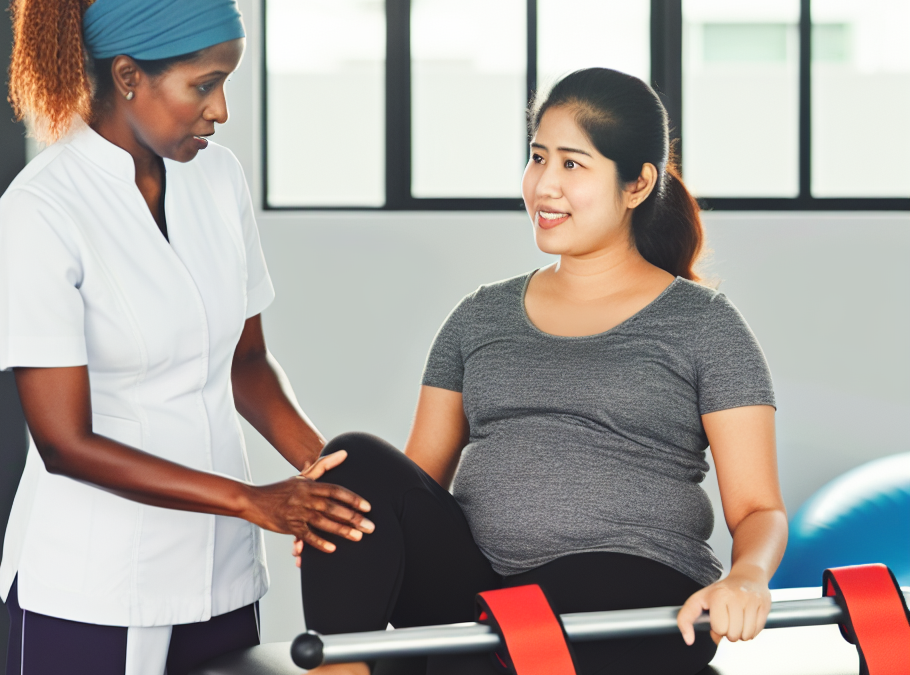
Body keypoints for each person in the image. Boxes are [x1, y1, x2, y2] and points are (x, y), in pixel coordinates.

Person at [297, 68, 788, 675]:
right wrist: (346, 523)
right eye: (537, 158)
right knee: (355, 461)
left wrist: (746, 578)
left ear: (637, 184)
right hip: (481, 597)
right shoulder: (480, 317)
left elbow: (758, 509)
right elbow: (412, 487)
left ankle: (471, 652)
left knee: (518, 625)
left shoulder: (704, 324)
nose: (544, 185)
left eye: (573, 165)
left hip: (631, 594)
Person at [0, 1, 373, 674]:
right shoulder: (41, 210)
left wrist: (323, 476)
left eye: (227, 82)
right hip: (95, 586)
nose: (220, 110)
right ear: (129, 75)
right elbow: (63, 442)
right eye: (203, 84)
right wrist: (253, 499)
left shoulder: (218, 179)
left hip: (222, 576)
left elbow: (244, 360)